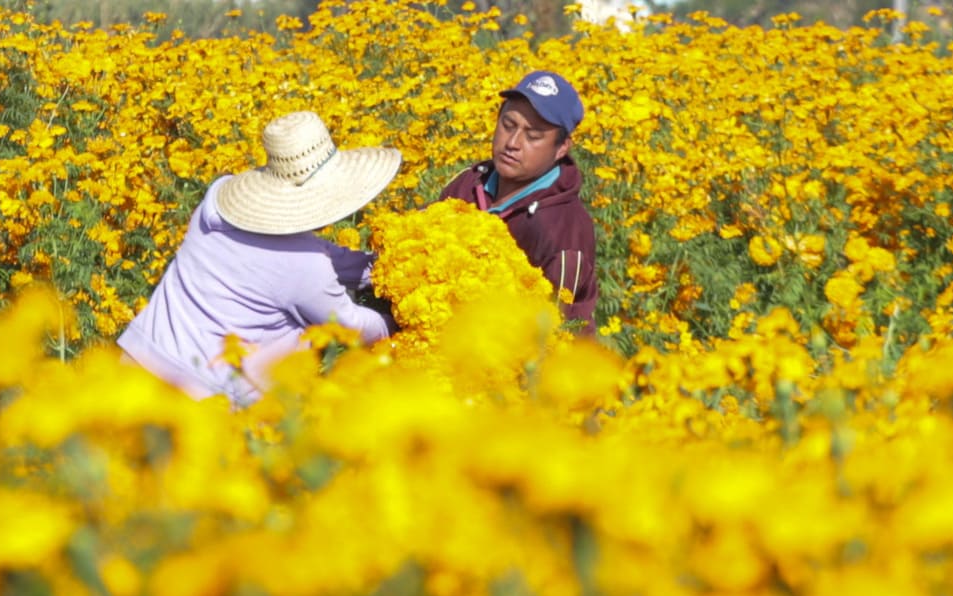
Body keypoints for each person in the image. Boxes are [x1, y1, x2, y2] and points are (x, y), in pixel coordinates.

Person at [117, 110, 402, 407]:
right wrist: (397, 319)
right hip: (201, 401)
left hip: (139, 361)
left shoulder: (216, 202)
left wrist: (381, 268)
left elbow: (300, 255)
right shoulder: (304, 264)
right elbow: (350, 325)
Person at [439, 70, 597, 333]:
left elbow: (552, 335)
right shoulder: (467, 184)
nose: (512, 143)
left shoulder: (564, 231)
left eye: (533, 136)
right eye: (508, 125)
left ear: (561, 148)